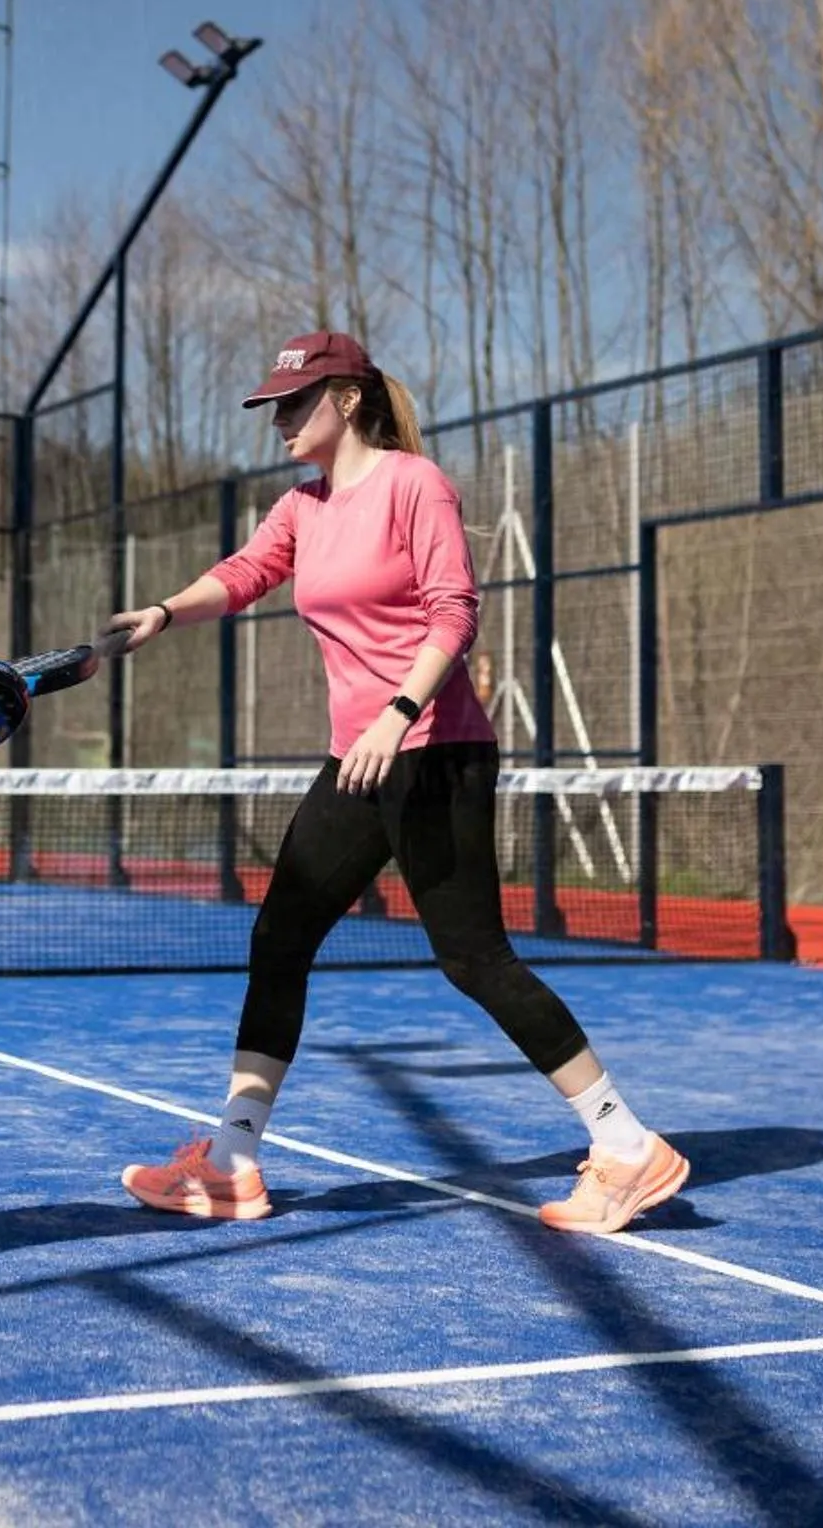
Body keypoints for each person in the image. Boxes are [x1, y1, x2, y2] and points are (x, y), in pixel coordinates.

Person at [102, 331, 688, 1236]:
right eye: (273, 407)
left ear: (346, 400)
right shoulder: (302, 507)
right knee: (280, 938)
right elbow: (247, 572)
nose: (279, 420)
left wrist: (397, 713)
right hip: (358, 761)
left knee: (474, 959)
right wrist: (164, 612)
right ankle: (232, 1163)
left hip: (435, 752)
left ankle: (626, 1143)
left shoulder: (417, 485)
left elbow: (456, 610)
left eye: (294, 403)